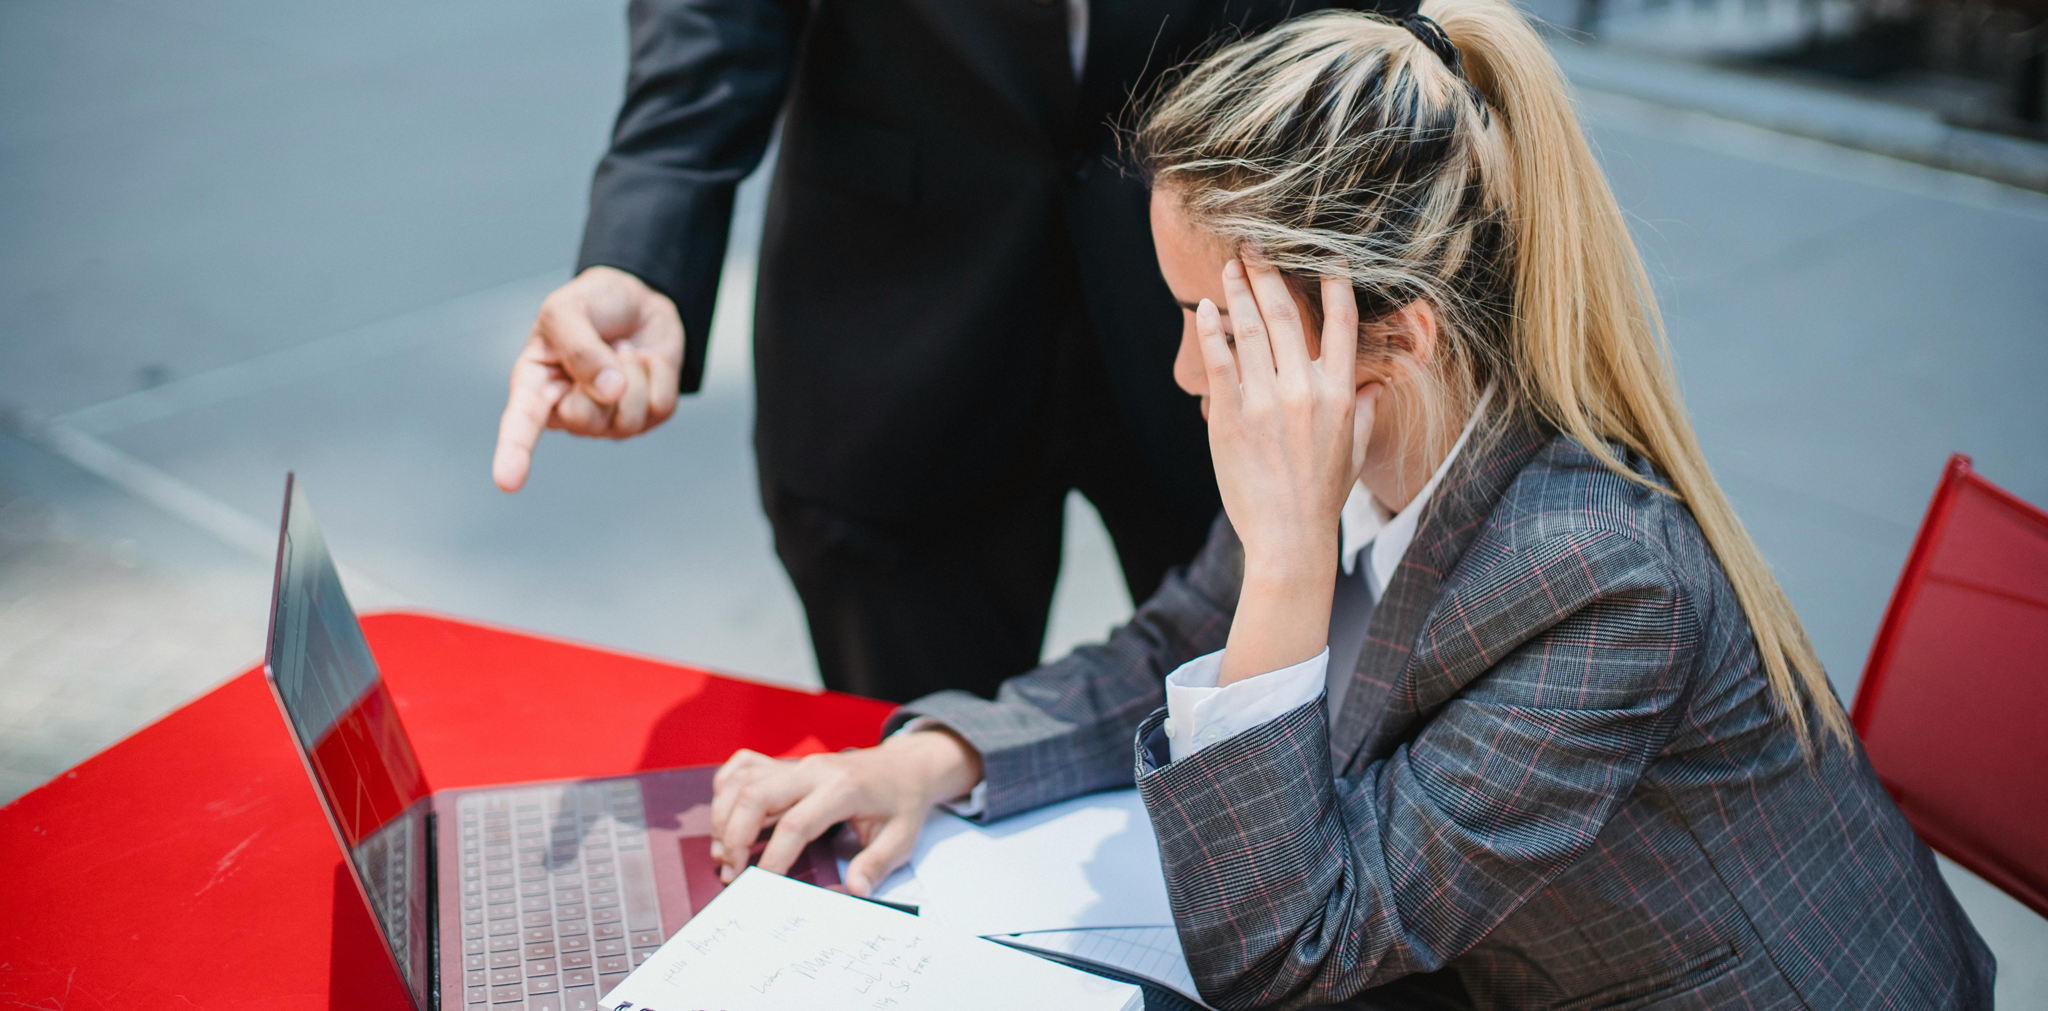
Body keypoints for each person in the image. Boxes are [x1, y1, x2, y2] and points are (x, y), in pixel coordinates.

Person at [700, 2, 1998, 1006]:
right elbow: (1167, 653)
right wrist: (931, 755)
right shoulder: (1368, 445)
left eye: (1218, 324)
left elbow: (1286, 950)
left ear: (1399, 335)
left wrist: (1284, 565)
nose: (1183, 368)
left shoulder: (1601, 584)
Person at [489, 0, 1386, 704]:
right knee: (907, 800)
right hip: (902, 320)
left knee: (1273, 730)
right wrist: (642, 247)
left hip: (1226, 317)